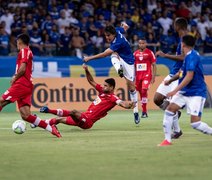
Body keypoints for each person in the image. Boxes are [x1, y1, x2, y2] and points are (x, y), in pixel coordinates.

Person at [0, 33, 61, 138]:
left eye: (17, 43)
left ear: (19, 42)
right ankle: (51, 128)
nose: (17, 46)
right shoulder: (28, 52)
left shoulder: (24, 51)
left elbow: (23, 68)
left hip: (21, 84)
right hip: (27, 85)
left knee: (1, 101)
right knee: (26, 115)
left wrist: (15, 78)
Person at [39, 64, 135, 129]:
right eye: (103, 85)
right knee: (58, 120)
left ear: (111, 87)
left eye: (105, 86)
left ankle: (48, 110)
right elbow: (91, 81)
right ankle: (41, 123)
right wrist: (87, 70)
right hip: (83, 116)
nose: (103, 86)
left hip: (87, 121)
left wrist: (129, 105)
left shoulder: (113, 98)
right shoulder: (101, 91)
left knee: (73, 112)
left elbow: (121, 103)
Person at [158, 35, 212, 146]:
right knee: (169, 110)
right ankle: (167, 140)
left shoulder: (192, 56)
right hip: (184, 92)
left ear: (183, 44)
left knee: (195, 124)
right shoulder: (187, 56)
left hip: (196, 93)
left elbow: (189, 76)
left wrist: (174, 90)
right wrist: (170, 80)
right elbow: (181, 73)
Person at [83, 22, 140, 124]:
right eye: (105, 35)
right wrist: (124, 26)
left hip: (129, 62)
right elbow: (124, 28)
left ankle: (135, 111)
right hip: (120, 57)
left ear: (113, 34)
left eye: (108, 36)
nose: (107, 37)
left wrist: (90, 58)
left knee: (131, 87)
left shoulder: (118, 42)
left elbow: (104, 54)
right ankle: (119, 70)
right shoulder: (116, 30)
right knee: (113, 55)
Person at [154, 17, 188, 139]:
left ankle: (177, 130)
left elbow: (184, 57)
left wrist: (165, 55)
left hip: (179, 76)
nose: (173, 26)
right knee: (157, 99)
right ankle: (175, 114)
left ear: (178, 26)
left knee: (171, 105)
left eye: (174, 24)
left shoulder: (186, 39)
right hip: (173, 72)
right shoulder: (180, 39)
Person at [134, 38, 156, 118]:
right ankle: (144, 111)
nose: (142, 45)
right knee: (140, 93)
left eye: (143, 43)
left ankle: (144, 111)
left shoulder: (150, 53)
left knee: (144, 90)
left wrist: (153, 76)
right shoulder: (135, 53)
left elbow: (154, 65)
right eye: (140, 43)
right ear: (138, 44)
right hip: (138, 76)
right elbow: (133, 66)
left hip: (147, 75)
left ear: (145, 44)